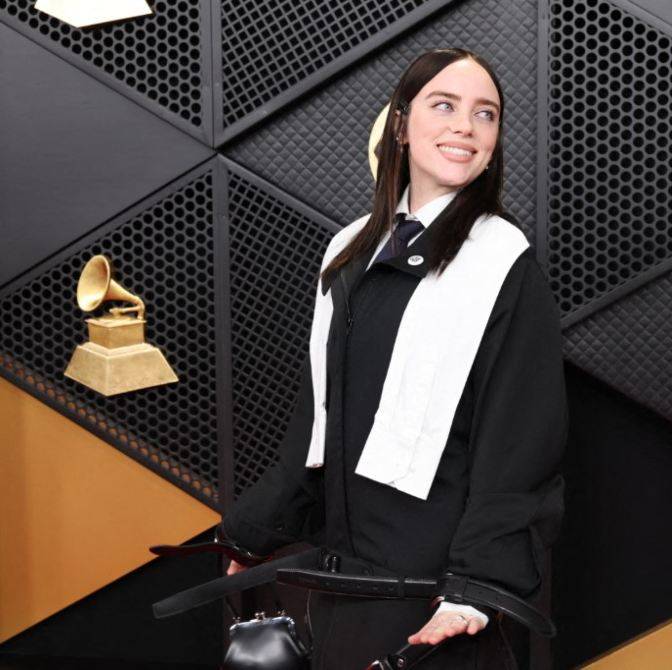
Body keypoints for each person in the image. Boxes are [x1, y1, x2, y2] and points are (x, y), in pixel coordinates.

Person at [220, 47, 568, 668]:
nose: (465, 125)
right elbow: (317, 424)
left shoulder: (503, 262)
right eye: (444, 106)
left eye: (484, 114)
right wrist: (252, 535)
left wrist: (477, 589)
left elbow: (521, 442)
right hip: (343, 589)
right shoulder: (349, 252)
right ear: (402, 126)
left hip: (439, 603)